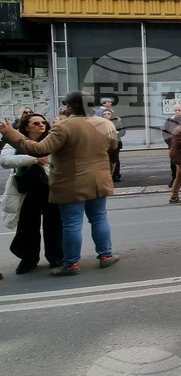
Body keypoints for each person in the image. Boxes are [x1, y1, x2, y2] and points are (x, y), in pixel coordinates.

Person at [0, 91, 120, 276]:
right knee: (99, 218)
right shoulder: (106, 124)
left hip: (71, 181)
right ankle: (105, 256)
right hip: (99, 179)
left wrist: (11, 134)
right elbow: (113, 152)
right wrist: (109, 173)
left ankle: (71, 264)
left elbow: (40, 149)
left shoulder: (64, 126)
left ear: (70, 106)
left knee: (71, 223)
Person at [1, 113, 62, 274]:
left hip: (51, 188)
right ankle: (29, 259)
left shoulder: (51, 140)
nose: (41, 125)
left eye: (43, 122)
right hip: (27, 191)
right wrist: (35, 159)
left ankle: (55, 257)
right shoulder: (16, 141)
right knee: (27, 226)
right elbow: (6, 161)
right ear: (27, 126)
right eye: (36, 123)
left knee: (54, 225)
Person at [161, 103, 181, 186]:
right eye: (175, 110)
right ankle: (174, 178)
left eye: (179, 110)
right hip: (173, 145)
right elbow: (165, 132)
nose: (177, 112)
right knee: (173, 162)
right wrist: (170, 143)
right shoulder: (169, 120)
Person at [100, 108, 126, 182]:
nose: (106, 116)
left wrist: (118, 124)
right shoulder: (101, 123)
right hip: (105, 143)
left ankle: (116, 175)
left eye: (108, 114)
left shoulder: (116, 122)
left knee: (115, 159)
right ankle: (108, 175)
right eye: (104, 114)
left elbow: (122, 133)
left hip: (115, 142)